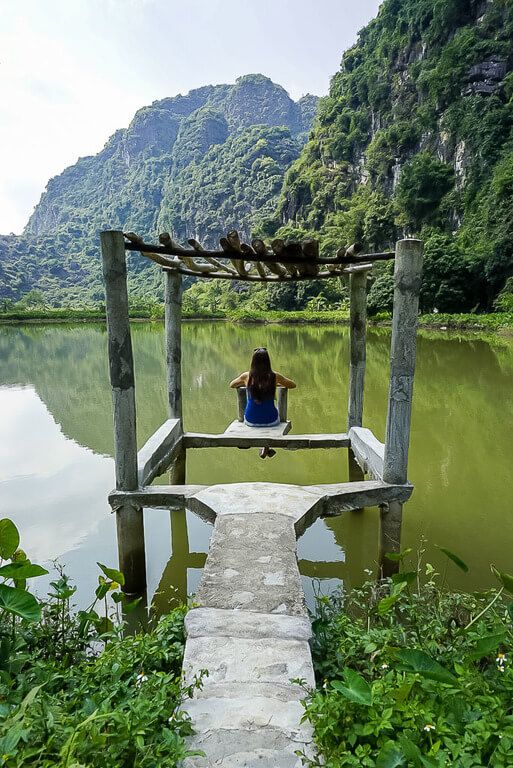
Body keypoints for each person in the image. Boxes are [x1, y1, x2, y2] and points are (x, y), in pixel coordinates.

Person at [229, 347, 296, 458]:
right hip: (272, 421)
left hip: (251, 421)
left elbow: (232, 385)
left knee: (253, 408)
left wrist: (248, 385)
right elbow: (293, 385)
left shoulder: (247, 376)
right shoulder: (274, 376)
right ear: (268, 361)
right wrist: (276, 384)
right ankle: (265, 447)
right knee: (269, 411)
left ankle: (263, 446)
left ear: (253, 361)